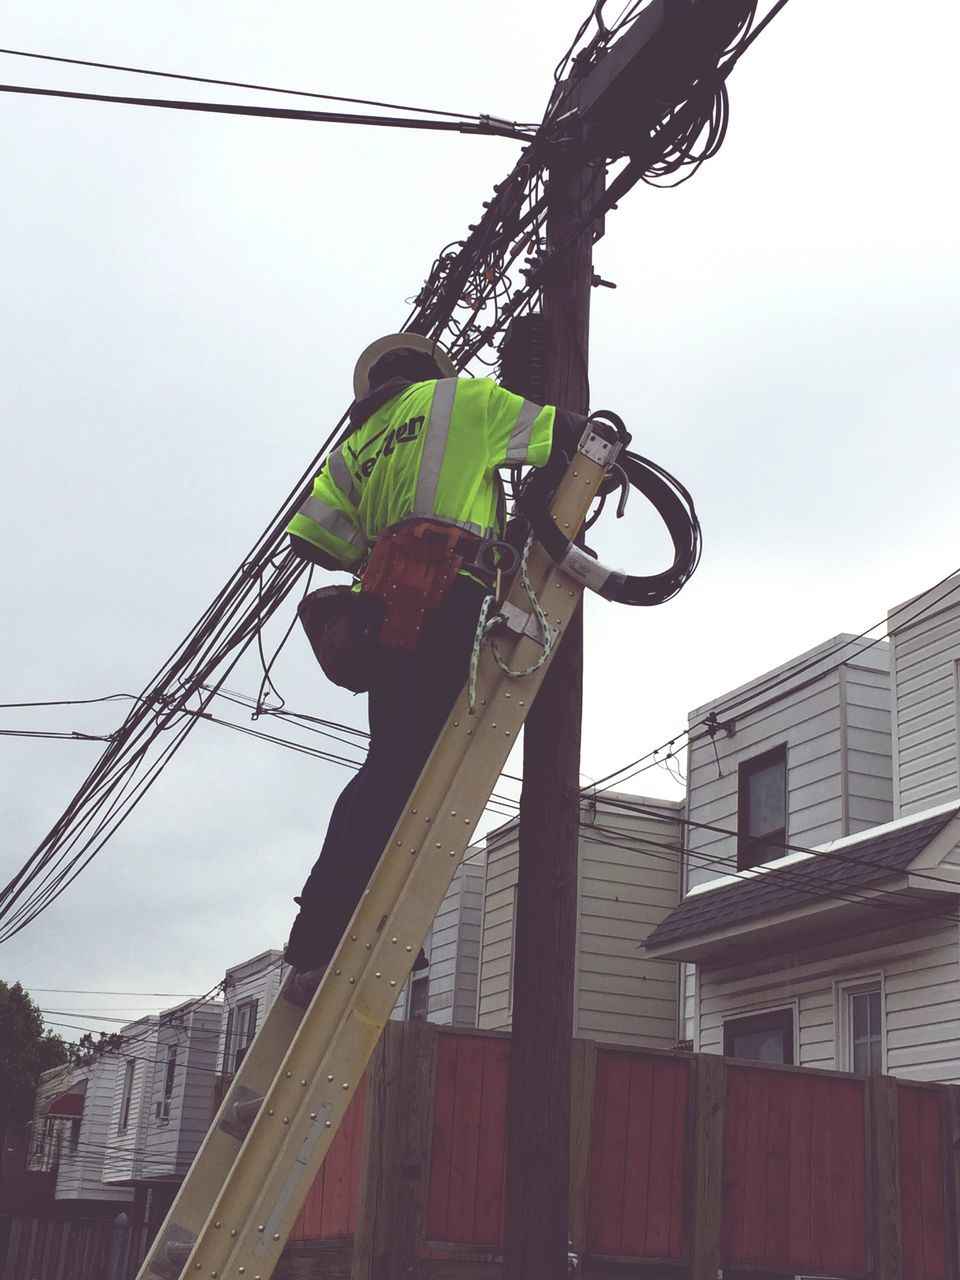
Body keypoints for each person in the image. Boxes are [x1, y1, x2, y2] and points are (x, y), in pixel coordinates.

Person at [283, 333, 584, 972]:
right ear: (432, 372)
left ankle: (331, 919)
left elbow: (315, 538)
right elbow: (570, 437)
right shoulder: (464, 402)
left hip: (382, 610)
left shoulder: (355, 445)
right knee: (413, 769)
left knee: (389, 761)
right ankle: (336, 929)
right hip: (451, 597)